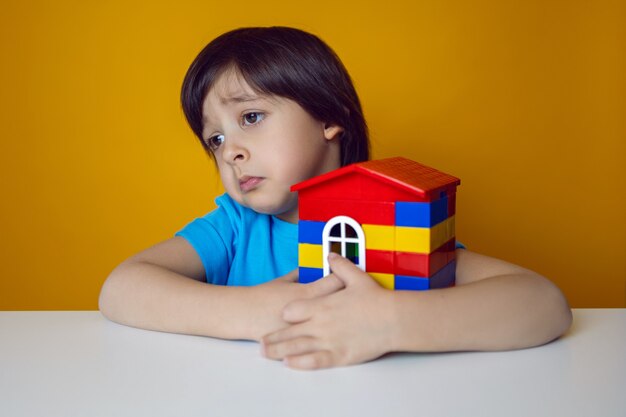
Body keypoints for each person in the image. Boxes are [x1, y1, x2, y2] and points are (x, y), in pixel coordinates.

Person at [99, 26, 572, 370]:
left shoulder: (394, 221)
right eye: (215, 140)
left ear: (328, 116)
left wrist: (389, 321)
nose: (232, 152)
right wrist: (252, 312)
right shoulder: (234, 228)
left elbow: (543, 304)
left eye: (250, 117)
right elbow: (121, 288)